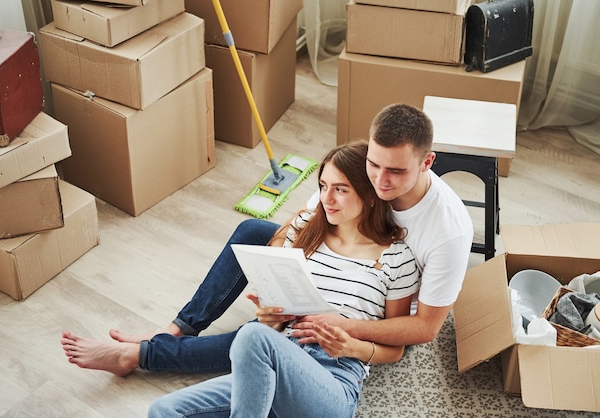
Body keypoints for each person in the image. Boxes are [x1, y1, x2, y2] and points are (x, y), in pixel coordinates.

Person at [60, 103, 472, 375]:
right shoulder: (366, 169)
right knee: (253, 234)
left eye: (395, 172)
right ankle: (176, 330)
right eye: (373, 165)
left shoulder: (448, 230)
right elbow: (311, 222)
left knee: (269, 340)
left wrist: (346, 325)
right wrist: (279, 280)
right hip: (343, 262)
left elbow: (424, 328)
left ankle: (147, 355)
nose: (380, 180)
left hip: (380, 304)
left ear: (427, 162)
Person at [147, 140, 419, 417]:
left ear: (370, 195)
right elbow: (275, 326)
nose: (327, 199)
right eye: (323, 186)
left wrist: (353, 346)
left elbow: (394, 349)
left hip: (334, 379)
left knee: (253, 334)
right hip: (273, 360)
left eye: (341, 189)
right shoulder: (304, 229)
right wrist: (272, 318)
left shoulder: (397, 258)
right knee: (163, 410)